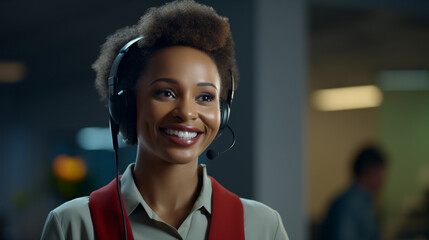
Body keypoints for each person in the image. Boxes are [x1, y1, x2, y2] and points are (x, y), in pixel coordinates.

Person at [40, 0, 288, 239]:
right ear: (126, 106)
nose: (187, 112)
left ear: (222, 112)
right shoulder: (72, 224)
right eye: (166, 93)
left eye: (204, 96)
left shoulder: (263, 227)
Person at [323, 145, 387, 240]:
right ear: (368, 172)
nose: (383, 179)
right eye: (380, 172)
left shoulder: (364, 201)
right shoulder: (349, 204)